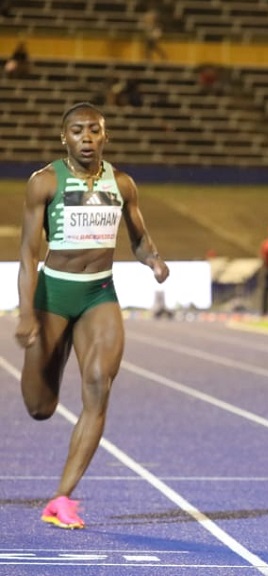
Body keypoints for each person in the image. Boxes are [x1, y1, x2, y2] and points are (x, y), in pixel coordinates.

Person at [15, 102, 169, 529]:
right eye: (78, 131)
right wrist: (27, 312)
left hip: (99, 293)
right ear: (64, 137)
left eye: (95, 130)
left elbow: (139, 238)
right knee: (40, 407)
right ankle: (55, 354)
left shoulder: (122, 183)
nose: (87, 137)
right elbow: (28, 253)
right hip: (54, 295)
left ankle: (61, 498)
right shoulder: (43, 183)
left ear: (106, 136)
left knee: (100, 383)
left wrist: (153, 260)